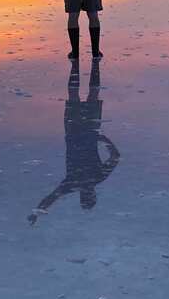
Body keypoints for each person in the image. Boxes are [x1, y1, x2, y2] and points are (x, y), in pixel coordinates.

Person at [29, 60, 120, 224]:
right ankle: (91, 63)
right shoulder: (91, 179)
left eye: (85, 196)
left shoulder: (74, 184)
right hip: (82, 131)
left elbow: (51, 198)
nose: (87, 193)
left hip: (78, 131)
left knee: (81, 95)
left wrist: (37, 212)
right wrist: (102, 138)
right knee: (86, 95)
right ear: (93, 195)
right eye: (89, 196)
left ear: (83, 196)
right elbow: (115, 157)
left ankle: (82, 64)